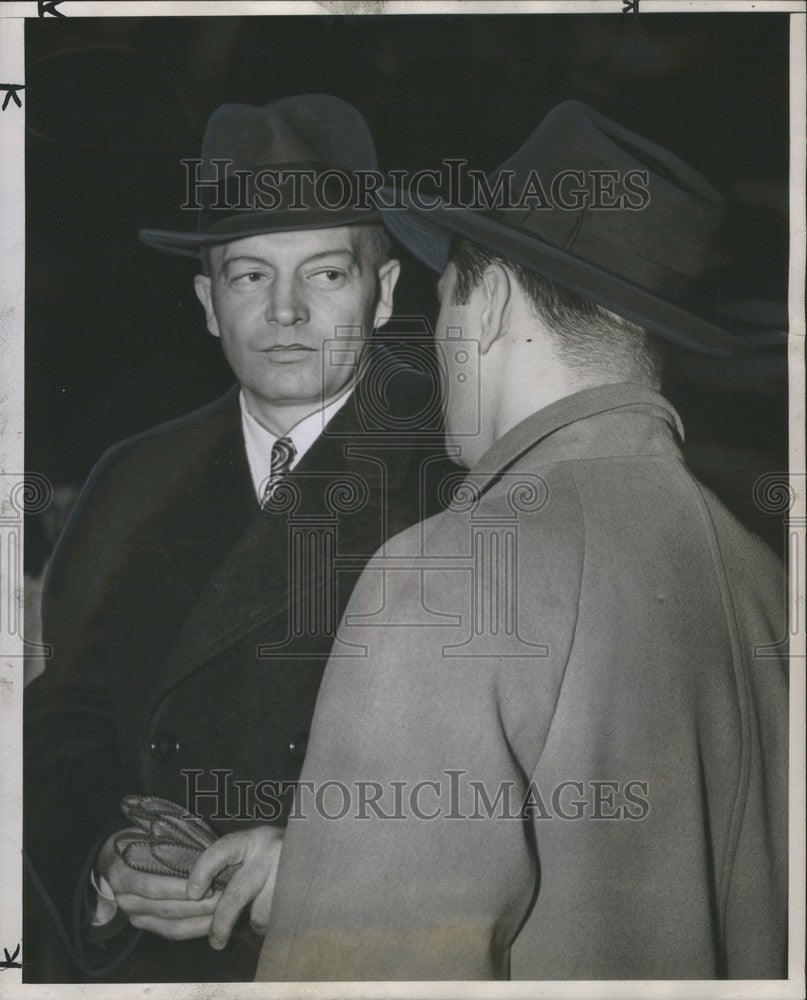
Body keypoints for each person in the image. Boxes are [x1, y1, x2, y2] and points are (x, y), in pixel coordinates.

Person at [256, 101, 789, 981]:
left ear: (491, 298)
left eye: (442, 301)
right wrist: (311, 862)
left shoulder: (447, 575)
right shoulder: (765, 579)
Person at [23, 94, 455, 984]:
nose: (285, 312)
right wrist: (102, 860)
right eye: (250, 276)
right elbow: (65, 715)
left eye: (326, 274)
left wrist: (320, 856)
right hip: (150, 958)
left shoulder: (459, 465)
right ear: (208, 303)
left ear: (384, 295)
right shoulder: (132, 478)